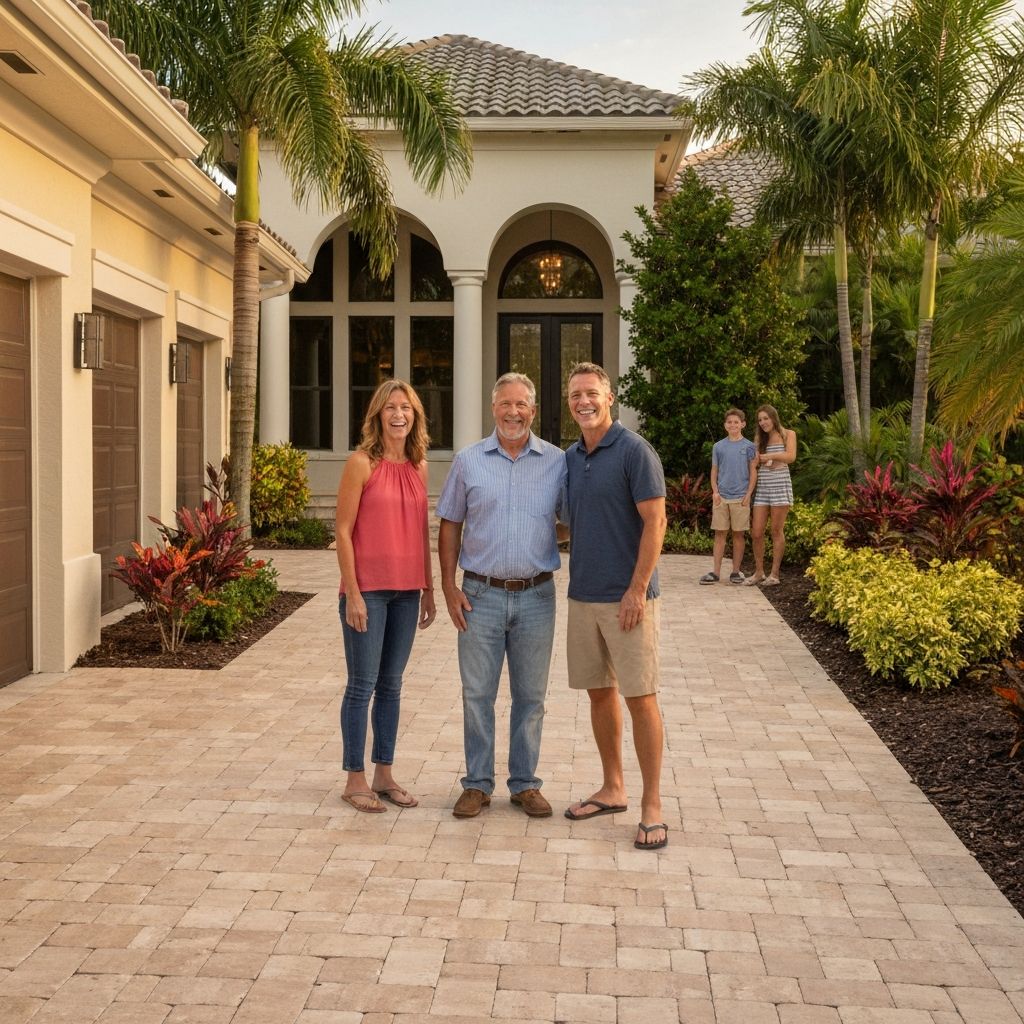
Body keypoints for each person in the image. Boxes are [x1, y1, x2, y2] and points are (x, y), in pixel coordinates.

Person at [437, 372, 566, 819]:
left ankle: (525, 784)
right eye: (505, 404)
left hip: (536, 596)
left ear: (533, 410)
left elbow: (569, 519)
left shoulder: (556, 461)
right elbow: (450, 522)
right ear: (493, 409)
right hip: (480, 594)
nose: (513, 412)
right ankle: (477, 784)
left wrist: (541, 536)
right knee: (477, 695)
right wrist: (448, 586)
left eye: (522, 405)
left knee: (531, 697)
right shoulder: (468, 461)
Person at [562, 362, 669, 851]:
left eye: (591, 393)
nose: (583, 401)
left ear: (609, 398)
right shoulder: (570, 457)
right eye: (575, 395)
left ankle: (652, 805)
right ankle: (613, 788)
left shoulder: (634, 451)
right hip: (582, 595)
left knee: (640, 697)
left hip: (628, 600)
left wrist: (637, 587)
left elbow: (656, 521)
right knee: (598, 693)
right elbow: (568, 523)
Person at [335, 379, 436, 813]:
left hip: (406, 591)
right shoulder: (361, 463)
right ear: (378, 414)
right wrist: (353, 593)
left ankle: (384, 773)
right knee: (362, 685)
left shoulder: (420, 466)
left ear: (415, 416)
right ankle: (354, 778)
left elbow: (420, 533)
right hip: (368, 592)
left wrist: (428, 588)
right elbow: (341, 531)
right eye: (391, 407)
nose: (400, 414)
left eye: (407, 407)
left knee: (392, 686)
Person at [700, 408, 757, 585]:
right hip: (721, 497)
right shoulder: (718, 446)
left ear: (743, 424)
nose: (733, 425)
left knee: (738, 535)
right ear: (725, 425)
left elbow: (753, 471)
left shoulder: (749, 446)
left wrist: (748, 494)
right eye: (729, 422)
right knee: (720, 534)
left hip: (741, 498)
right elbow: (714, 470)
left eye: (736, 422)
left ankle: (735, 571)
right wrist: (715, 491)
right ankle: (716, 572)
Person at [745, 404, 797, 586]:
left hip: (780, 486)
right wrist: (757, 461)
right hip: (763, 488)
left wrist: (770, 458)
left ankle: (774, 574)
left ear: (774, 418)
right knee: (756, 532)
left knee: (776, 530)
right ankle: (759, 572)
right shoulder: (759, 440)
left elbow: (791, 456)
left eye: (766, 418)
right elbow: (754, 463)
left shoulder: (788, 434)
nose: (763, 422)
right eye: (760, 420)